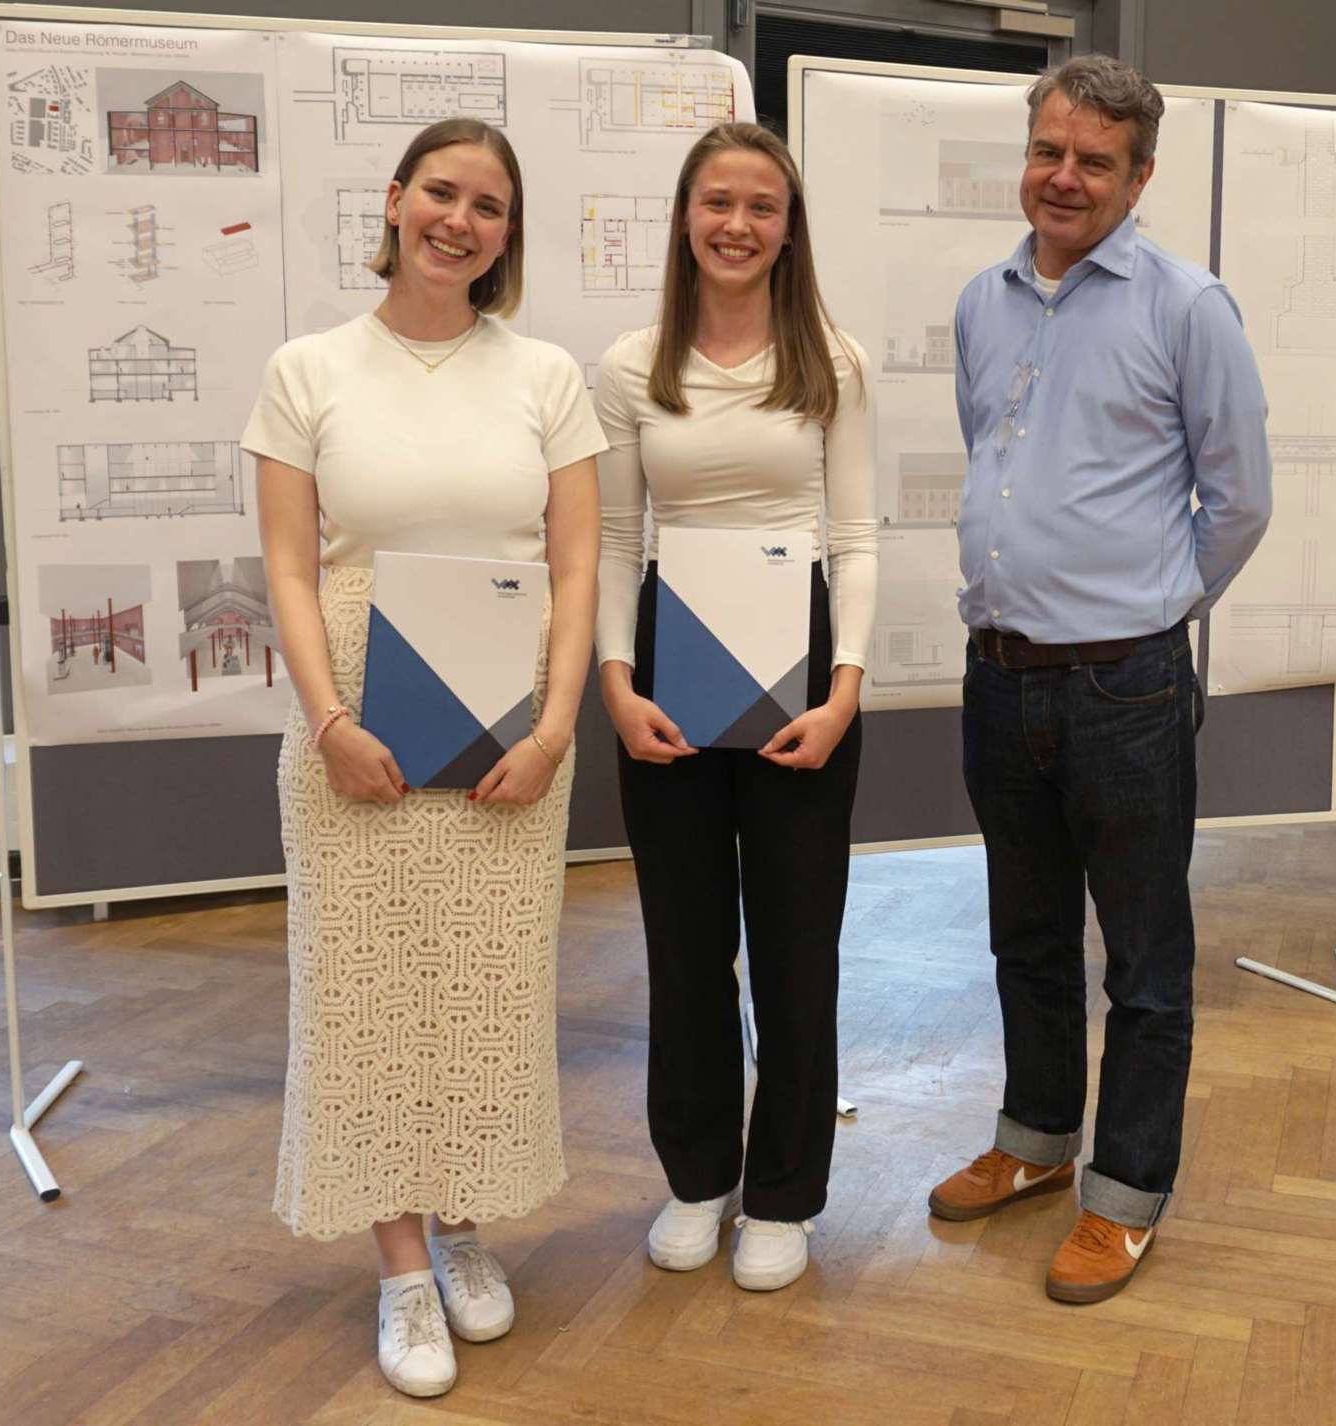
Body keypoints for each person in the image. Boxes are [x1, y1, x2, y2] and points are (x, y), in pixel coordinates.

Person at [244, 118, 604, 1398]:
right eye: (441, 193)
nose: (460, 220)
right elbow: (290, 566)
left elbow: (577, 567)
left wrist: (555, 730)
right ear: (396, 202)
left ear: (507, 235)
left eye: (488, 206)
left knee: (486, 988)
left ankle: (460, 1223)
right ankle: (400, 1265)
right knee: (365, 991)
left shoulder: (545, 376)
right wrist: (329, 721)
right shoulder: (308, 370)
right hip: (356, 711)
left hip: (511, 716)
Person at [925, 55, 1272, 1304]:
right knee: (1023, 936)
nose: (1063, 177)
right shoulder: (982, 302)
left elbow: (1239, 501)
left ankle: (1122, 1194)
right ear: (1027, 153)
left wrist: (1150, 611)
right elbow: (994, 457)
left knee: (1143, 960)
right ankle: (1033, 1140)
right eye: (1049, 151)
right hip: (999, 677)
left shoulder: (1188, 308)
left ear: (1138, 178)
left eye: (1094, 161)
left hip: (1125, 689)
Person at [594, 121, 876, 1293]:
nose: (737, 224)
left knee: (796, 947)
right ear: (684, 216)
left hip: (802, 667)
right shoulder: (631, 366)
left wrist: (844, 691)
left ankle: (783, 1193)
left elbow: (853, 538)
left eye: (762, 206)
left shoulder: (832, 362)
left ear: (788, 229)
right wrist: (615, 682)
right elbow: (616, 540)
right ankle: (698, 1176)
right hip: (669, 658)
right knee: (685, 942)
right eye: (718, 201)